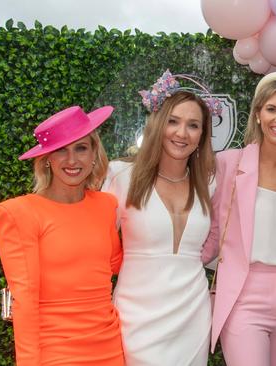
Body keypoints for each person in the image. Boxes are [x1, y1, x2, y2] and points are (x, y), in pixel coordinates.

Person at [0, 106, 123, 365]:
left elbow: (115, 265)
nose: (72, 160)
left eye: (81, 148)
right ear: (46, 158)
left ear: (95, 153)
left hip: (109, 347)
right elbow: (25, 302)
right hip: (56, 352)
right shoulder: (18, 213)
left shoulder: (107, 205)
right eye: (61, 149)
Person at [201, 71, 276, 366]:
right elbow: (209, 228)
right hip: (244, 297)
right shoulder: (228, 163)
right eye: (272, 109)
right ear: (257, 114)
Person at [102, 71, 216, 366]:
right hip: (136, 316)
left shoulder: (210, 183)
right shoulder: (120, 175)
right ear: (157, 123)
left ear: (202, 135)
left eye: (193, 125)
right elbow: (93, 247)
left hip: (192, 316)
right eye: (173, 121)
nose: (182, 133)